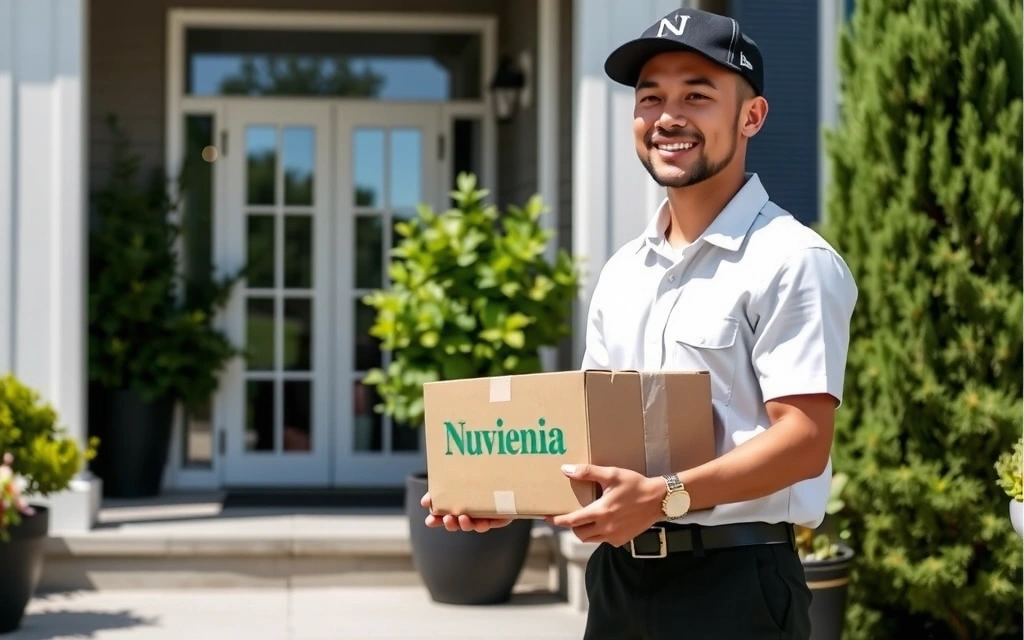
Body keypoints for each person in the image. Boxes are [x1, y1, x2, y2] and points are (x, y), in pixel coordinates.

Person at [420, 6, 858, 639]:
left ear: (751, 116)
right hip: (618, 584)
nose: (668, 117)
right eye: (650, 98)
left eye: (697, 96)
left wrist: (665, 497)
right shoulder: (625, 270)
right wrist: (503, 494)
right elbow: (600, 439)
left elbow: (805, 441)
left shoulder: (793, 260)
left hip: (736, 587)